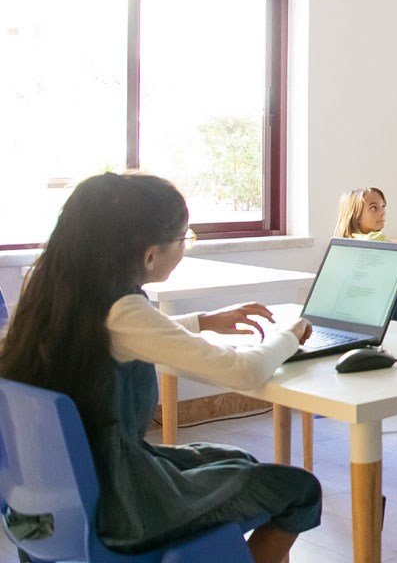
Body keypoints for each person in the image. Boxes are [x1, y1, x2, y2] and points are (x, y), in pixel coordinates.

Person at [0, 173, 321, 563]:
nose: (184, 247)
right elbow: (245, 372)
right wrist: (291, 333)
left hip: (49, 507)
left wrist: (202, 321)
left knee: (239, 461)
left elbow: (121, 338)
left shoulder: (52, 294)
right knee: (298, 489)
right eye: (184, 238)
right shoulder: (123, 310)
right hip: (121, 507)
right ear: (149, 254)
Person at [334, 186, 397, 323]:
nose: (382, 212)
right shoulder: (373, 241)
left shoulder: (350, 240)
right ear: (356, 216)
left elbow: (388, 241)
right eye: (374, 208)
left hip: (362, 309)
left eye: (383, 206)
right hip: (385, 309)